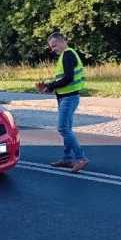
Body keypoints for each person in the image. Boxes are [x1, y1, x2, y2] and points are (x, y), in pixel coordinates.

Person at [36, 32, 89, 173]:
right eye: (51, 47)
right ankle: (67, 158)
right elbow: (64, 80)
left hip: (69, 98)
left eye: (54, 45)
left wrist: (51, 86)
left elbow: (68, 78)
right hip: (66, 96)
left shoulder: (68, 54)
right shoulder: (66, 55)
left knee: (63, 129)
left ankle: (81, 158)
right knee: (67, 129)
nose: (53, 49)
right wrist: (49, 86)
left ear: (62, 41)